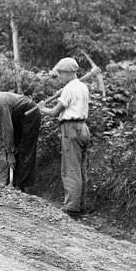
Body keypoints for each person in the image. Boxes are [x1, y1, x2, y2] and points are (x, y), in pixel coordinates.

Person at [39, 57, 91, 218]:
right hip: (83, 128)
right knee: (81, 169)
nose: (60, 77)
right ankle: (80, 205)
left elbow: (55, 112)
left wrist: (42, 108)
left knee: (70, 169)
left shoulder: (69, 89)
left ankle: (71, 208)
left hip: (71, 128)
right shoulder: (83, 87)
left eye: (61, 74)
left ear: (69, 73)